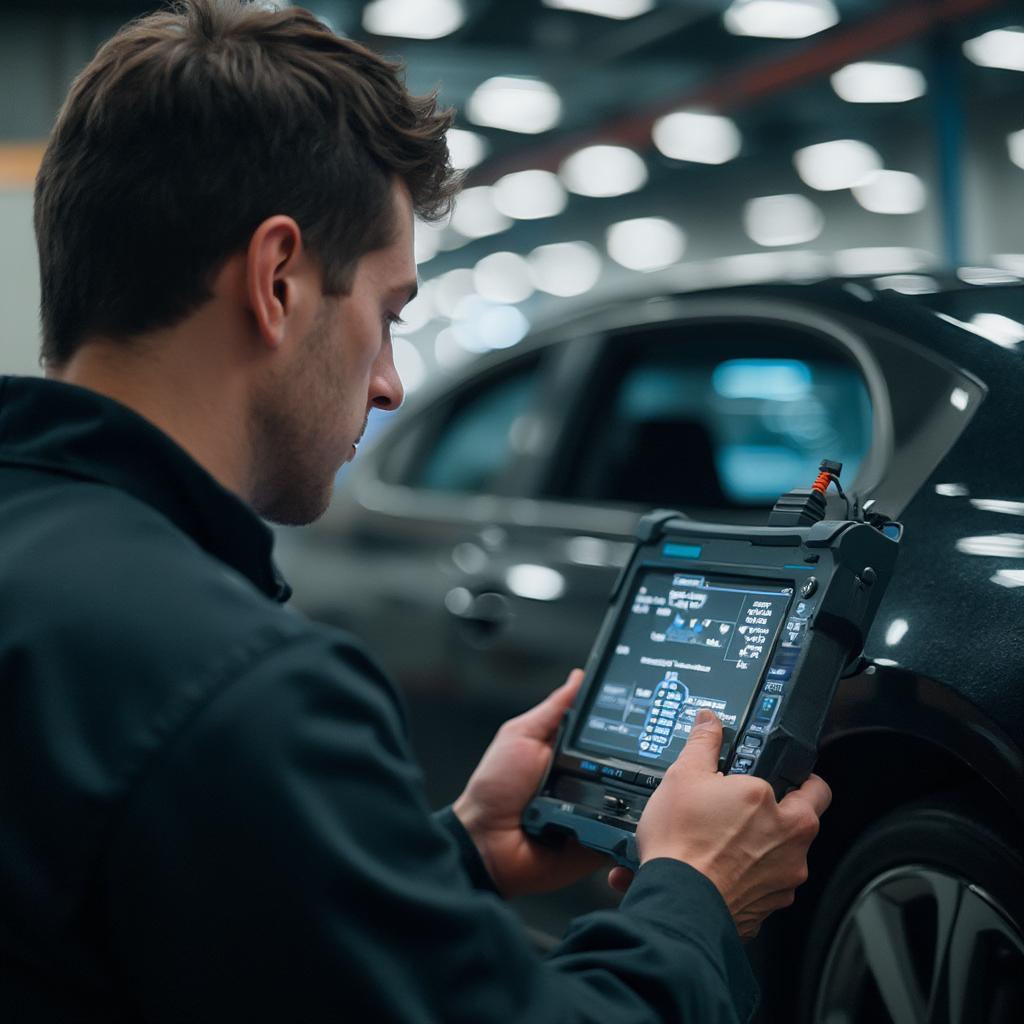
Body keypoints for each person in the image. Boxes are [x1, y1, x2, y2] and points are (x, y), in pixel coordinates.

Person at [0, 2, 831, 1020]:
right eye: (387, 315)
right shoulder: (241, 686)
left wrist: (447, 853)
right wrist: (694, 894)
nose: (390, 383)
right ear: (277, 280)